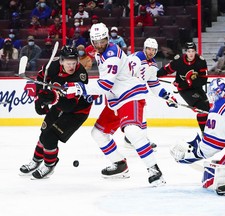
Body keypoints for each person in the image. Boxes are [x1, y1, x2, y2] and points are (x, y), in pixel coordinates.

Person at [65, 23, 167, 186]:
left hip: (130, 95)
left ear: (107, 39)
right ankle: (120, 165)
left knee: (132, 131)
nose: (99, 45)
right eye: (96, 42)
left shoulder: (112, 54)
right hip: (116, 101)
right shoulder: (99, 52)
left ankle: (154, 170)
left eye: (102, 41)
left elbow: (105, 85)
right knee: (98, 133)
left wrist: (79, 88)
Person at [19, 46, 93, 179]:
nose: (71, 66)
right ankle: (36, 161)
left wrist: (52, 98)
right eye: (68, 63)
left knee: (50, 137)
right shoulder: (52, 65)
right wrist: (39, 97)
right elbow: (42, 78)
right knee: (44, 133)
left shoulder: (80, 75)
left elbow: (70, 105)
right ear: (61, 61)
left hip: (77, 111)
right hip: (60, 104)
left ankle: (49, 164)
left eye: (74, 62)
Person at [124, 37, 178, 149]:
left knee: (142, 115)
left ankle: (132, 139)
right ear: (144, 48)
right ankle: (136, 140)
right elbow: (126, 74)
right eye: (149, 49)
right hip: (125, 91)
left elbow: (154, 84)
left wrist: (167, 96)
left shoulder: (153, 65)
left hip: (136, 92)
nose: (151, 52)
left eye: (154, 50)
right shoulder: (136, 58)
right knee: (139, 115)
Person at [157, 42, 210, 134]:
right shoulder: (179, 60)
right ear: (185, 52)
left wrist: (188, 83)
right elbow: (166, 70)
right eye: (189, 51)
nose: (191, 54)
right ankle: (204, 133)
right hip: (184, 90)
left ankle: (209, 131)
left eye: (193, 51)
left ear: (195, 51)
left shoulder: (201, 61)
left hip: (196, 88)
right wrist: (154, 75)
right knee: (201, 108)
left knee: (207, 109)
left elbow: (204, 80)